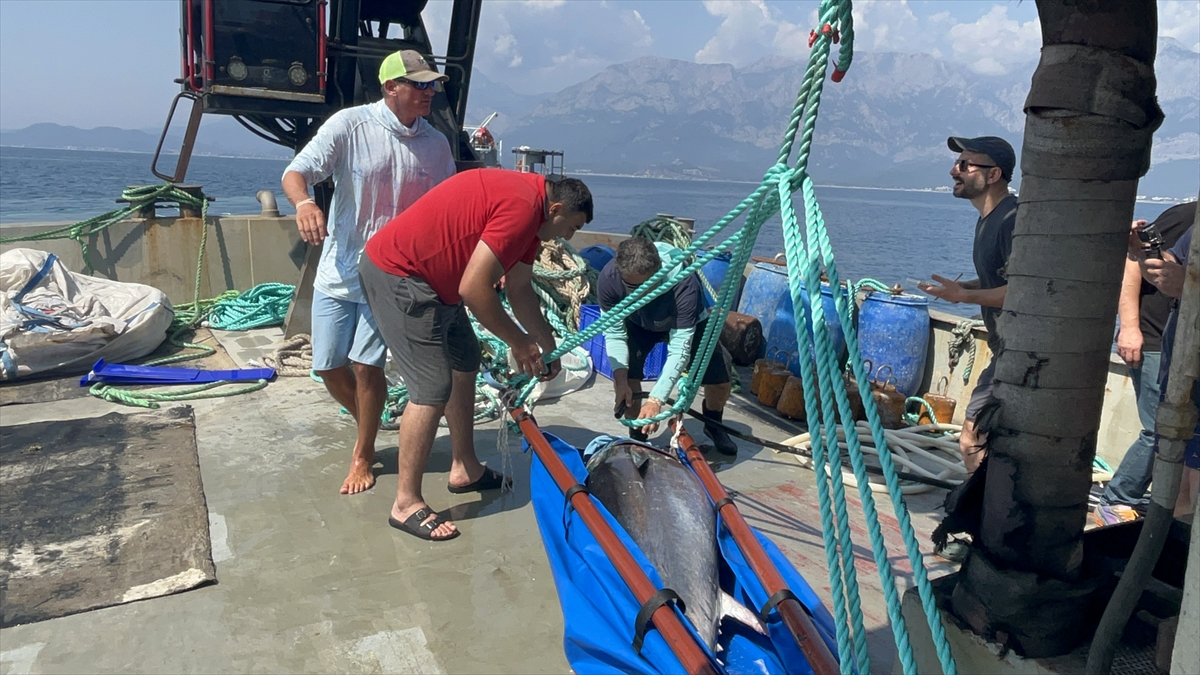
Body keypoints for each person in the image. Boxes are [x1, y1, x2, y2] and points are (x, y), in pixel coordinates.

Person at [361, 170, 593, 541]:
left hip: (437, 283)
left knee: (465, 359)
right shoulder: (520, 208)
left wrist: (549, 348)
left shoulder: (535, 219)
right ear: (557, 208)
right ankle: (405, 503)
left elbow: (518, 288)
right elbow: (474, 288)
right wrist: (519, 342)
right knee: (431, 388)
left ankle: (464, 467)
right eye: (572, 227)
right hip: (401, 274)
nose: (569, 237)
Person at [281, 50, 455, 496]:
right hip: (340, 268)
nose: (429, 92)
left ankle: (362, 453)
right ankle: (369, 422)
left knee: (365, 365)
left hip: (394, 275)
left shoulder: (436, 146)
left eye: (432, 84)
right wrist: (304, 203)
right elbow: (296, 172)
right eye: (419, 85)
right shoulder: (350, 125)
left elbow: (450, 211)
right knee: (326, 365)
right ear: (390, 87)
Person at [918, 136, 1018, 475]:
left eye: (964, 165)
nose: (953, 171)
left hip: (1018, 353)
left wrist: (965, 297)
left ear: (993, 175)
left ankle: (984, 514)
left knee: (971, 437)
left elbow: (1023, 291)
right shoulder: (989, 219)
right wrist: (964, 287)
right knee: (980, 439)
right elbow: (1000, 278)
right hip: (1005, 347)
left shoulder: (1011, 220)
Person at [1094, 202, 1195, 526]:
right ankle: (1118, 500)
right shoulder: (1188, 217)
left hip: (1179, 353)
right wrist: (1130, 326)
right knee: (1162, 431)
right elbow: (1159, 266)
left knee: (1170, 440)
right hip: (1159, 342)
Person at [597, 238, 739, 456]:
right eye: (633, 287)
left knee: (720, 378)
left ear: (659, 271)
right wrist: (620, 380)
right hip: (638, 321)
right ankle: (637, 435)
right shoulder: (609, 278)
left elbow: (680, 349)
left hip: (684, 320)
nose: (641, 293)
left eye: (649, 285)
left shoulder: (684, 283)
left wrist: (656, 399)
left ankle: (713, 423)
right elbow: (614, 334)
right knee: (629, 377)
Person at [1131, 222, 1199, 519]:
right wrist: (1144, 253)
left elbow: (1184, 278)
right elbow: (1170, 264)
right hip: (1181, 377)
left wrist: (1190, 284)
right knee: (1174, 488)